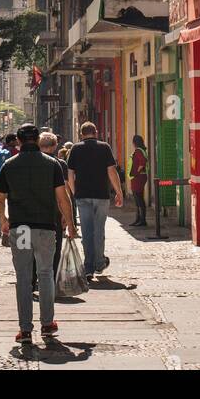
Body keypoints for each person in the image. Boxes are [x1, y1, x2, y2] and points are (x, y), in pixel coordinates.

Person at [0, 124, 76, 346]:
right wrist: (70, 224)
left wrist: (3, 220)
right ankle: (48, 323)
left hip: (20, 228)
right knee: (46, 273)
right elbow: (63, 198)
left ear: (19, 141)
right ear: (38, 140)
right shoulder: (52, 164)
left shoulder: (9, 166)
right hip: (45, 226)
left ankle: (25, 329)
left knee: (23, 277)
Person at [67, 121, 123, 282]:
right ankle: (99, 263)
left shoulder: (76, 148)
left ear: (81, 133)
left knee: (87, 232)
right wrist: (118, 192)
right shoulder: (104, 147)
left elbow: (70, 173)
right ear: (96, 132)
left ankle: (88, 267)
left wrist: (74, 191)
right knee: (99, 231)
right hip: (101, 195)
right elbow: (111, 171)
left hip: (82, 195)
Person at [39, 130, 68, 283]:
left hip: (35, 210)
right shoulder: (60, 164)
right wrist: (67, 215)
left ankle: (37, 275)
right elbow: (65, 192)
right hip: (55, 211)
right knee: (55, 246)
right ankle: (53, 275)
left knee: (35, 246)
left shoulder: (34, 162)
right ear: (55, 146)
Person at [0, 133, 18, 240]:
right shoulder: (16, 152)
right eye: (15, 140)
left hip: (0, 181)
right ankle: (11, 229)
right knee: (13, 206)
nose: (17, 142)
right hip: (14, 183)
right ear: (12, 141)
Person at [129, 135, 149, 228]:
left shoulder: (138, 151)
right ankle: (138, 219)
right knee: (138, 198)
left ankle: (142, 220)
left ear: (134, 143)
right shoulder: (142, 150)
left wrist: (137, 172)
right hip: (139, 177)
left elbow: (143, 161)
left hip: (138, 177)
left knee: (138, 198)